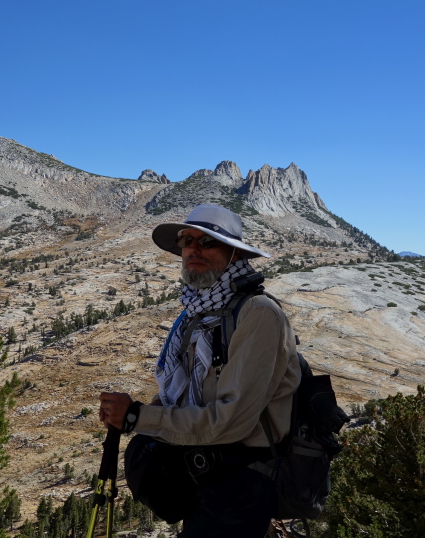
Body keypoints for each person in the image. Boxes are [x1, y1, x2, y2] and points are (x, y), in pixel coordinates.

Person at [99, 203, 301, 537]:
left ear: (235, 253)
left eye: (207, 242)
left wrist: (138, 417)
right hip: (206, 472)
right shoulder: (198, 312)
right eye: (186, 241)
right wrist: (140, 411)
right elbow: (185, 392)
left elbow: (232, 421)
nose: (193, 249)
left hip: (242, 484)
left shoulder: (258, 315)